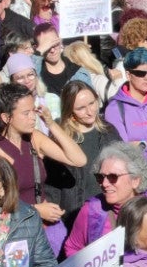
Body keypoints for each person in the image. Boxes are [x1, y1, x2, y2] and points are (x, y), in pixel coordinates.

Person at [0, 83, 90, 241]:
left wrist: (50, 123)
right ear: (6, 117)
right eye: (26, 113)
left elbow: (78, 159)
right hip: (13, 231)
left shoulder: (34, 138)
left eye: (33, 111)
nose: (33, 117)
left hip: (44, 228)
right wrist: (35, 210)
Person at [64, 140, 147, 257]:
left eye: (113, 177)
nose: (104, 184)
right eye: (100, 177)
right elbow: (73, 248)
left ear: (135, 180)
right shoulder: (92, 210)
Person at [49, 81, 120, 213]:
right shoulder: (61, 140)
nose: (89, 111)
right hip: (76, 212)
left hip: (110, 209)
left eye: (92, 103)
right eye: (81, 108)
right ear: (70, 110)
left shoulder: (109, 131)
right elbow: (52, 183)